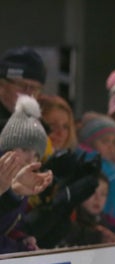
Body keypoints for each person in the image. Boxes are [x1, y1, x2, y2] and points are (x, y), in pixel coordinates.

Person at [0, 94, 53, 253]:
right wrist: (18, 249)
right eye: (24, 149)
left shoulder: (21, 181)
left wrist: (21, 238)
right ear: (6, 149)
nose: (31, 158)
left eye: (37, 155)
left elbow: (9, 226)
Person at [0, 47, 46, 127]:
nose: (29, 93)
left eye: (35, 88)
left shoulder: (43, 130)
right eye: (21, 85)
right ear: (2, 86)